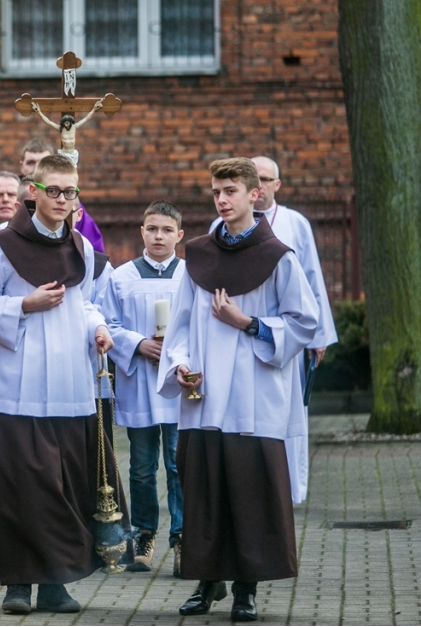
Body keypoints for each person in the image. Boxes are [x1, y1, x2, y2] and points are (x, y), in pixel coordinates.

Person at [158, 157, 318, 622]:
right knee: (204, 491)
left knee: (250, 493)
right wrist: (182, 363)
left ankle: (246, 589)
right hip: (204, 397)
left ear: (256, 195)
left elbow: (302, 323)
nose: (222, 200)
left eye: (231, 190)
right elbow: (182, 323)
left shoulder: (279, 257)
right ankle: (208, 583)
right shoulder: (199, 256)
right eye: (216, 192)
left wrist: (247, 323)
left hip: (253, 395)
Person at [0, 154, 120, 615]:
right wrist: (24, 305)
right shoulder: (3, 245)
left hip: (72, 386)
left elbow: (86, 303)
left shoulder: (82, 249)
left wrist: (99, 328)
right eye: (53, 190)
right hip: (19, 385)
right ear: (32, 191)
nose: (62, 199)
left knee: (66, 486)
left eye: (70, 191)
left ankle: (57, 582)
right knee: (21, 487)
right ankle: (19, 583)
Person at [210, 156, 338, 504]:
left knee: (285, 410)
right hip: (227, 340)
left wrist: (318, 336)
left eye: (267, 179)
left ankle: (291, 487)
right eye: (217, 192)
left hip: (275, 339)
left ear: (273, 185)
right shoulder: (217, 227)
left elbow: (311, 279)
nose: (263, 185)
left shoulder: (294, 224)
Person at [100, 201, 186, 577]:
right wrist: (138, 344)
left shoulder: (191, 275)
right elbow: (106, 323)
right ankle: (145, 534)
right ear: (142, 232)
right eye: (152, 229)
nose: (158, 236)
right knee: (141, 467)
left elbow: (201, 325)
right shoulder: (121, 278)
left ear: (179, 235)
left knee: (179, 463)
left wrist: (175, 353)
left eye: (167, 230)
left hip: (179, 382)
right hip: (141, 383)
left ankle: (183, 537)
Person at [0, 139, 105, 252]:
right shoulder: (1, 205)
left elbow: (93, 254)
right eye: (31, 163)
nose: (36, 168)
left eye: (42, 162)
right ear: (21, 165)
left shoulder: (71, 206)